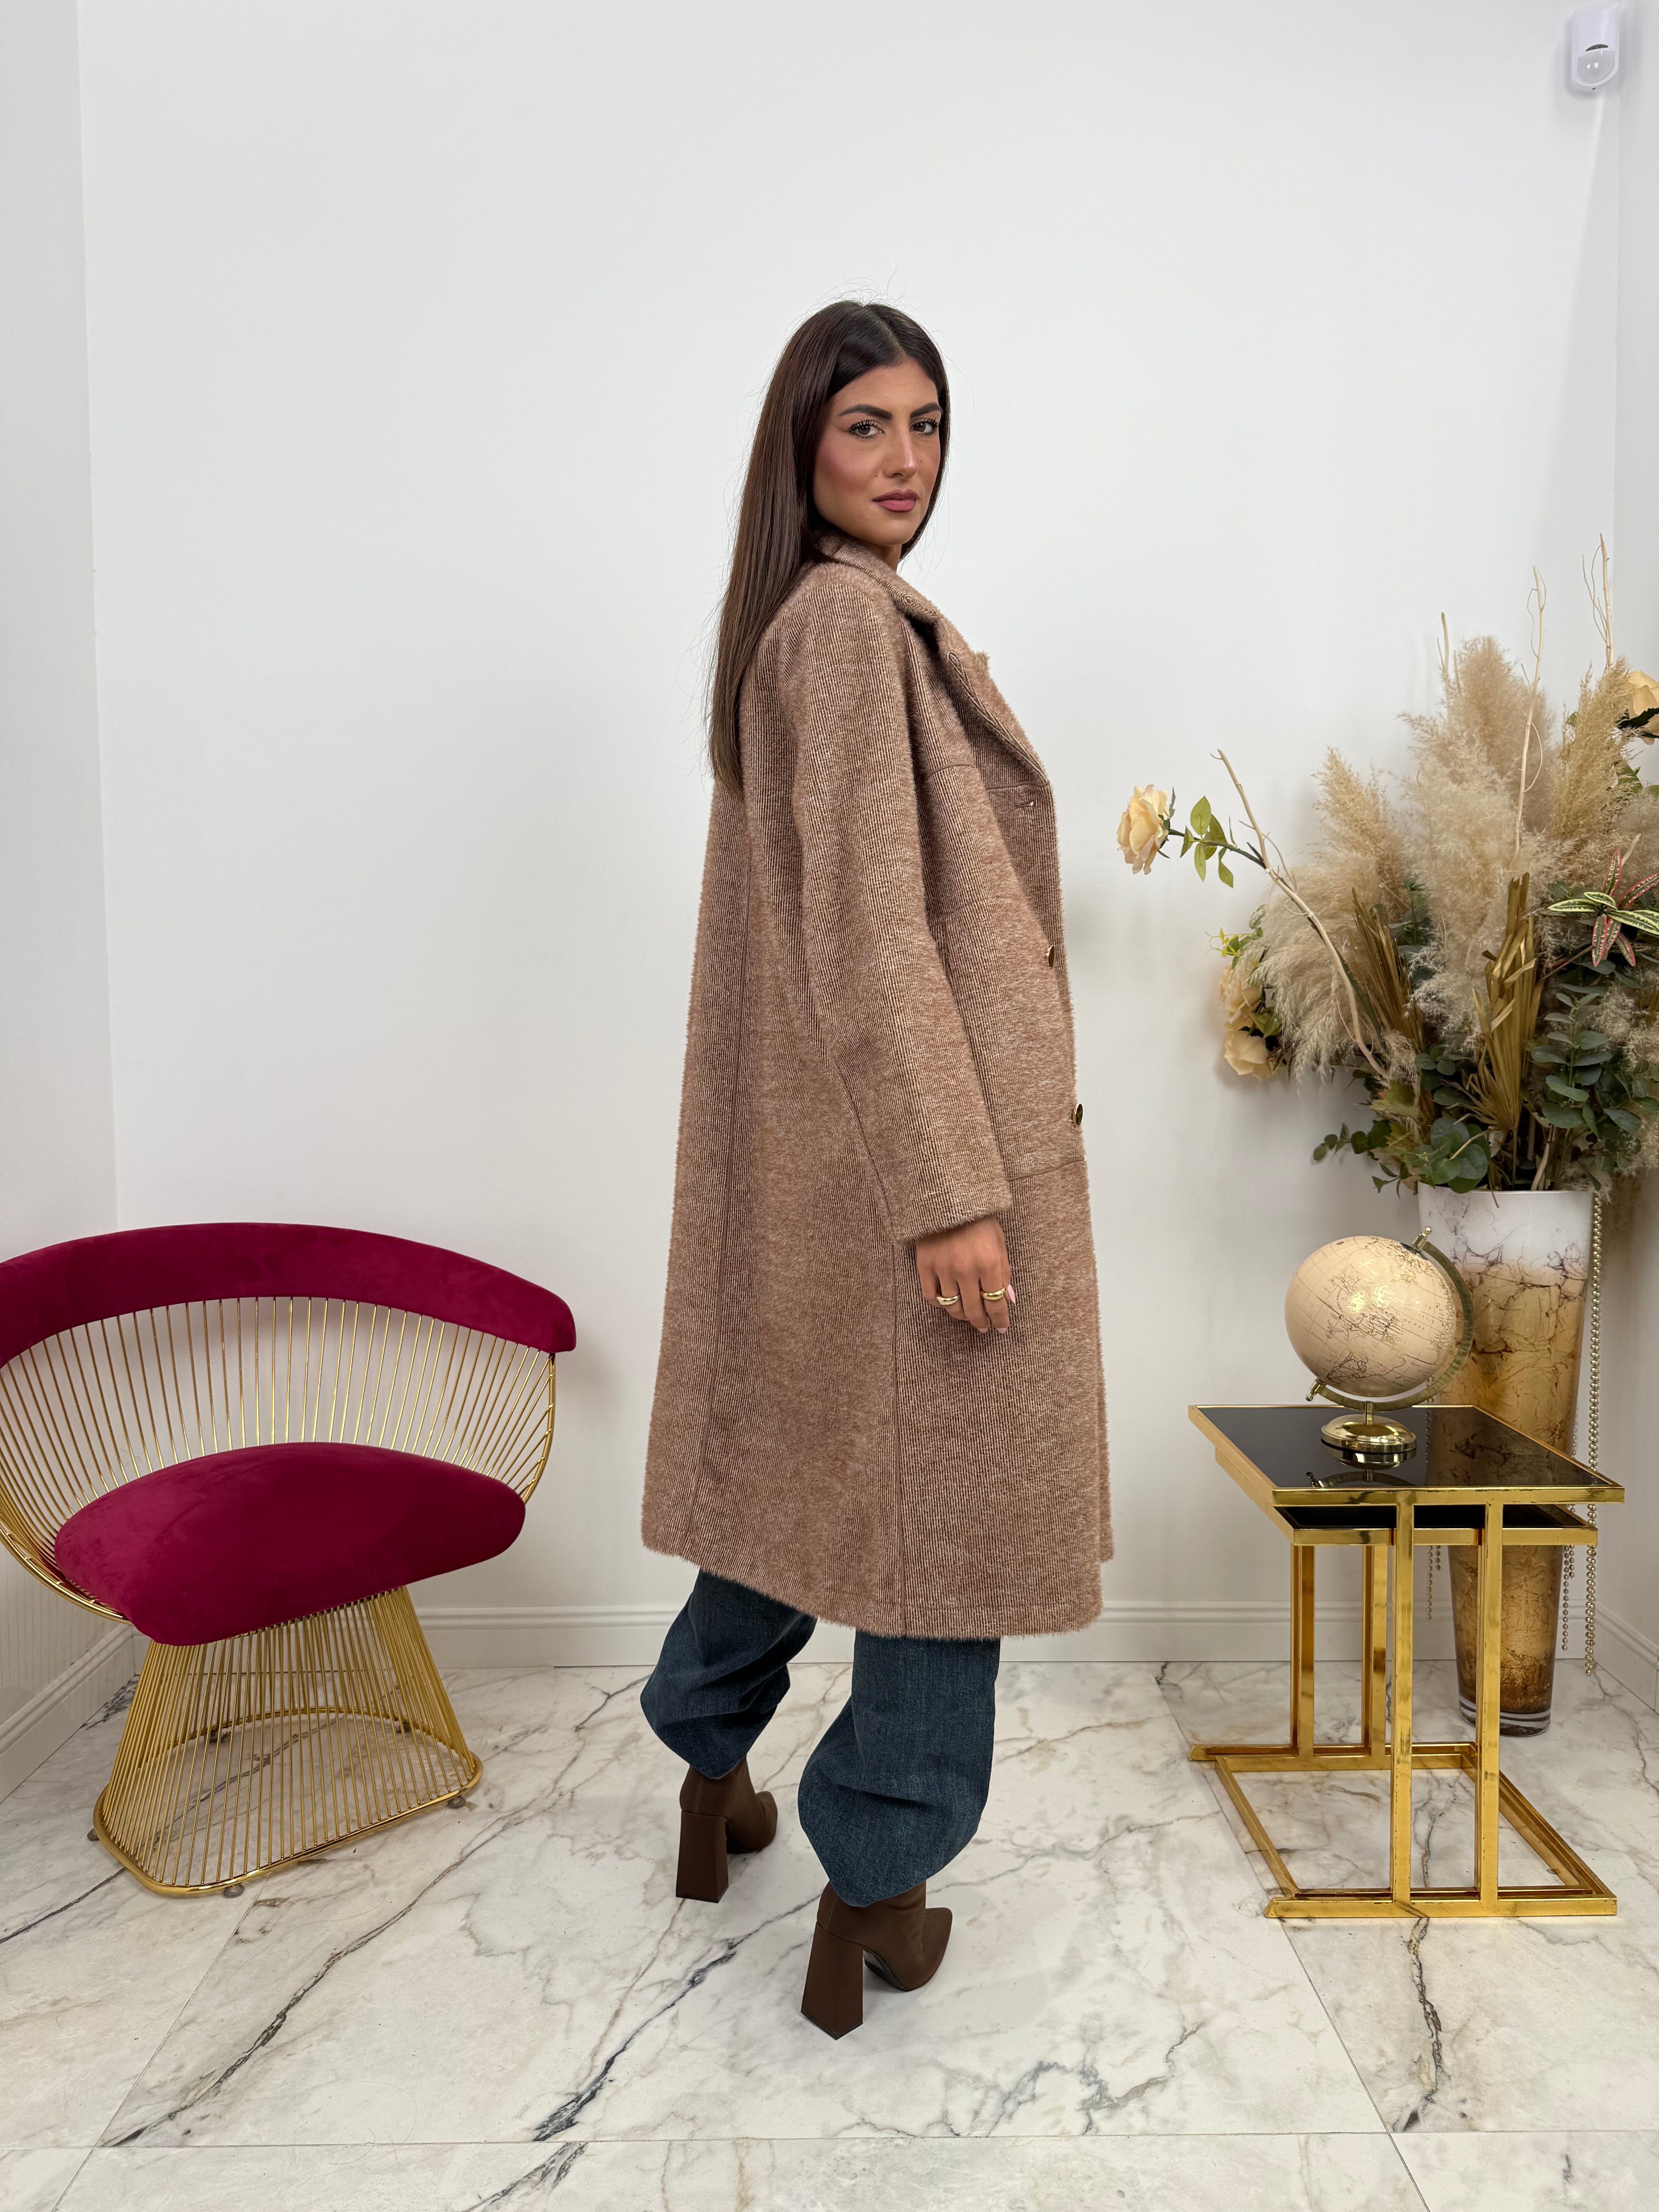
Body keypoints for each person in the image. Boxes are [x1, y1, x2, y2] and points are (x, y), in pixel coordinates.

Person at [639, 301, 1109, 2039]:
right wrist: (950, 1190)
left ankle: (706, 1759)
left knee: (807, 1459)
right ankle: (879, 1889)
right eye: (867, 427)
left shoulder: (816, 618)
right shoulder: (843, 626)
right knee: (940, 1532)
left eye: (928, 426)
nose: (905, 460)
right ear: (802, 445)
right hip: (914, 1157)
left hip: (826, 1154)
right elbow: (871, 932)